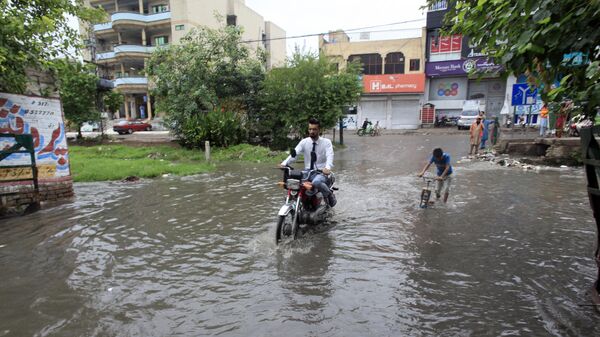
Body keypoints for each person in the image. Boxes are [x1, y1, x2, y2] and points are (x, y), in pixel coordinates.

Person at [280, 117, 336, 207]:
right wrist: (284, 163)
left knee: (316, 182)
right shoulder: (304, 142)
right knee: (291, 180)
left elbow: (330, 155)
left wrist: (327, 168)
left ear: (319, 130)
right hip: (307, 172)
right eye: (310, 129)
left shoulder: (326, 142)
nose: (311, 131)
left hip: (321, 173)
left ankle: (329, 195)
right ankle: (293, 199)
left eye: (314, 129)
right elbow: (295, 154)